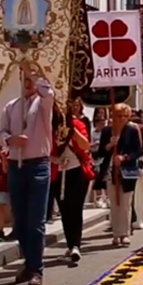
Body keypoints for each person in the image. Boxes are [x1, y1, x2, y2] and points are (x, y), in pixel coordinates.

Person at [0, 60, 54, 285]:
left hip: (38, 165)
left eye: (30, 77)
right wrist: (10, 141)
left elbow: (48, 91)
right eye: (24, 77)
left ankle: (36, 269)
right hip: (15, 166)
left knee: (35, 221)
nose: (28, 81)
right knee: (20, 221)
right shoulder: (11, 106)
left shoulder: (43, 104)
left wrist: (36, 69)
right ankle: (29, 264)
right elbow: (1, 132)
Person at [95, 104, 143, 248]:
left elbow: (138, 151)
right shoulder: (106, 131)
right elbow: (100, 153)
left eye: (124, 116)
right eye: (118, 115)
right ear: (112, 116)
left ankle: (125, 233)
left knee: (125, 203)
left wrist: (124, 158)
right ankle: (116, 234)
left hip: (127, 171)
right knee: (114, 203)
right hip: (110, 171)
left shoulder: (132, 130)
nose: (121, 119)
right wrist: (110, 145)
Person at [52, 104, 93, 262]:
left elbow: (85, 145)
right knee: (64, 210)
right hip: (58, 172)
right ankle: (70, 245)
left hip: (77, 171)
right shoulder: (49, 127)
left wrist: (71, 130)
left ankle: (76, 245)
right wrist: (55, 159)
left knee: (75, 209)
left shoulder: (77, 124)